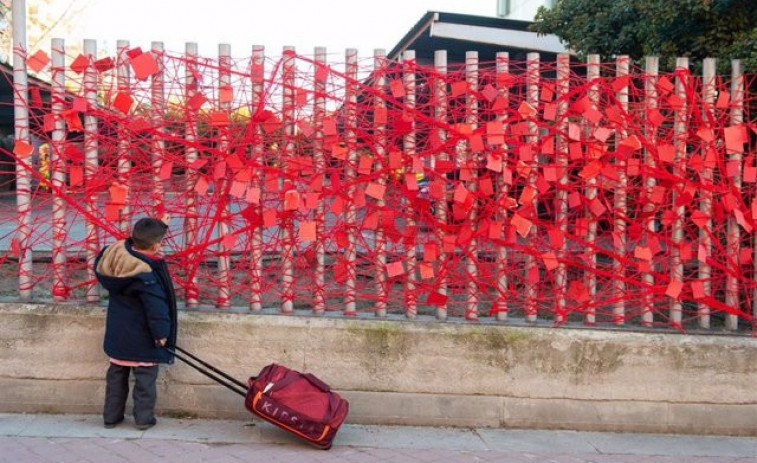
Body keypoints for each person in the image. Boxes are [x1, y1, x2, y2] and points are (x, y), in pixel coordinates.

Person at [94, 217, 177, 430]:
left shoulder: (116, 258)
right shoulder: (145, 276)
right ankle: (143, 419)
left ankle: (111, 418)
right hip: (144, 339)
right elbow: (156, 308)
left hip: (118, 337)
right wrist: (161, 334)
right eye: (160, 241)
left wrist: (160, 223)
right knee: (145, 383)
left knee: (116, 380)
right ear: (156, 245)